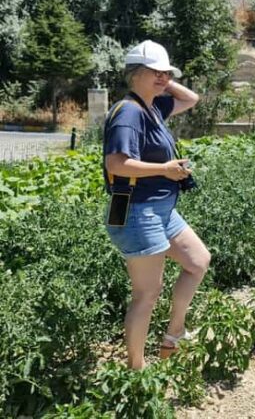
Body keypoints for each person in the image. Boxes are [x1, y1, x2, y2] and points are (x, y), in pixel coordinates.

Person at [103, 40, 210, 369]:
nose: (164, 78)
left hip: (160, 209)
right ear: (135, 73)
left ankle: (174, 334)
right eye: (156, 72)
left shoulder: (152, 107)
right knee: (147, 294)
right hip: (137, 210)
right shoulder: (129, 113)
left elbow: (191, 99)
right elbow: (116, 163)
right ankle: (136, 370)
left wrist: (164, 80)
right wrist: (164, 169)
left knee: (198, 261)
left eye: (167, 73)